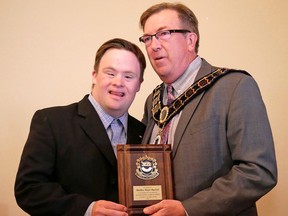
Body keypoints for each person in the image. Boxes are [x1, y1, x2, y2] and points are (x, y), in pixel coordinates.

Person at [139, 2, 277, 216]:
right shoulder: (153, 101)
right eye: (147, 38)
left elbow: (259, 171)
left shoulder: (234, 86)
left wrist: (187, 210)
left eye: (163, 33)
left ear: (190, 40)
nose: (153, 46)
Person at [15, 38, 146, 216]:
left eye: (128, 76)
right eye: (110, 73)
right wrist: (87, 209)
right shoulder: (51, 122)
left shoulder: (144, 133)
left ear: (139, 84)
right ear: (94, 75)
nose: (118, 82)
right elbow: (29, 189)